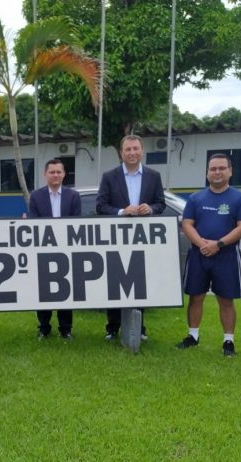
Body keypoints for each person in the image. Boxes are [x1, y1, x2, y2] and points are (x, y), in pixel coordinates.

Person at [175, 154, 241, 356]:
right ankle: (193, 336)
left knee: (226, 300)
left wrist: (218, 244)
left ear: (230, 171)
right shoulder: (196, 198)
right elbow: (187, 224)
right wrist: (203, 244)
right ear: (207, 173)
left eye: (221, 168)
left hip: (226, 255)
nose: (217, 172)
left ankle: (228, 341)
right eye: (213, 169)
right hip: (199, 255)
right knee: (195, 297)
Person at [96, 134, 165, 341]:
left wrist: (150, 209)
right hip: (116, 238)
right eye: (128, 149)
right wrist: (121, 212)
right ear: (121, 153)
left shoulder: (154, 176)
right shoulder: (109, 176)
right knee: (115, 281)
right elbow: (101, 206)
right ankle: (112, 328)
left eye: (136, 148)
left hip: (142, 239)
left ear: (142, 151)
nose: (132, 152)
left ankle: (139, 327)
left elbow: (161, 203)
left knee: (139, 283)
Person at [28, 159, 82, 340]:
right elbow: (34, 223)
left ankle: (65, 329)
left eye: (59, 172)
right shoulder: (36, 196)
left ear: (64, 174)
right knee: (43, 290)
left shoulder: (73, 196)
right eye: (52, 172)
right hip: (43, 250)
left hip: (66, 251)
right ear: (45, 174)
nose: (56, 175)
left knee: (66, 290)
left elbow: (76, 223)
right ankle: (44, 328)